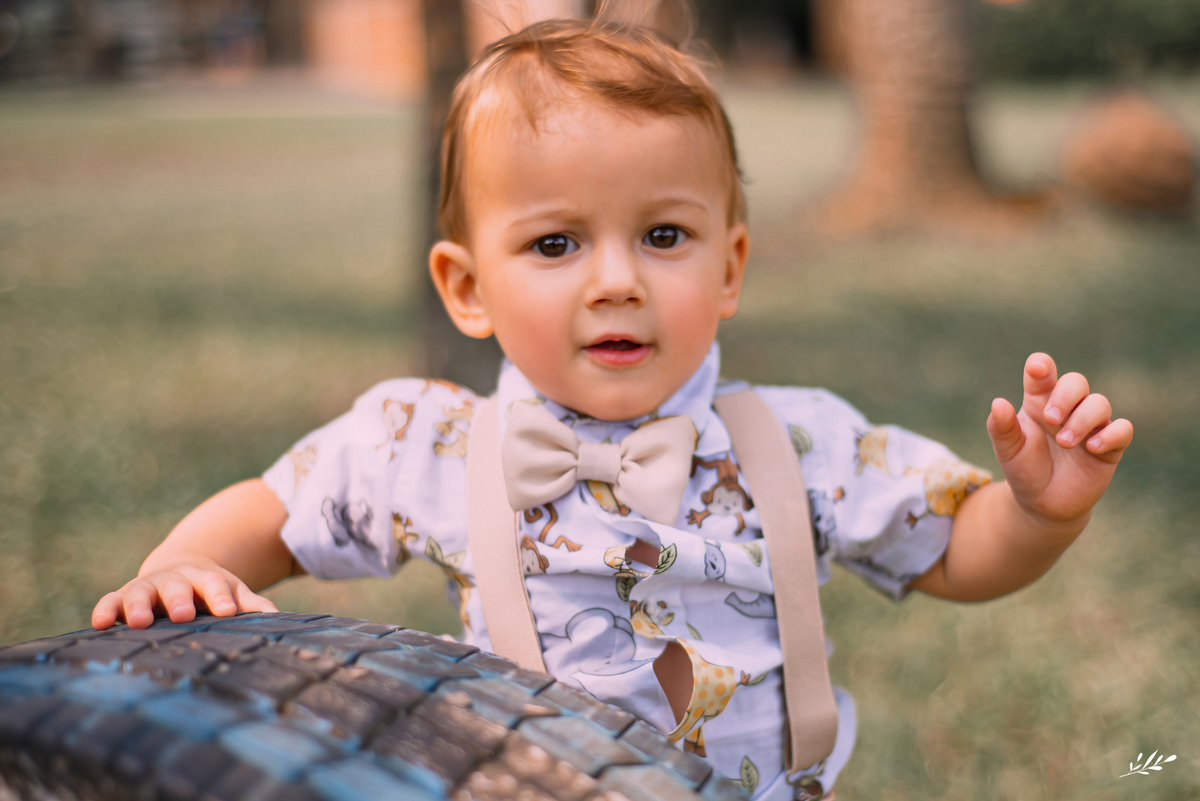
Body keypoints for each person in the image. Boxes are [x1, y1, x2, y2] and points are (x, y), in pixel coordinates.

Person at [91, 17, 1133, 801]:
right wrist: (179, 570)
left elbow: (953, 554)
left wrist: (1040, 513)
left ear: (729, 267)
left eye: (664, 237)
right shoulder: (431, 444)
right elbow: (273, 510)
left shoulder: (800, 437)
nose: (616, 281)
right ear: (466, 288)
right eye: (555, 244)